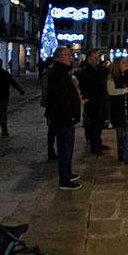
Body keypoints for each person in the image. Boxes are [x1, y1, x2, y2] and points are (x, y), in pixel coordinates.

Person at [46, 46, 82, 190]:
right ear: (59, 56)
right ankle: (64, 180)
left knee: (68, 147)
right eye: (67, 54)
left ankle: (67, 173)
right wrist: (73, 104)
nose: (70, 57)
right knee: (65, 147)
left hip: (66, 116)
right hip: (64, 117)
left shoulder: (61, 72)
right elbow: (61, 97)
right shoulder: (58, 73)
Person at [77, 49, 109, 155]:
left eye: (98, 57)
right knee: (93, 125)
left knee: (99, 123)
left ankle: (98, 143)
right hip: (92, 101)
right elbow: (87, 85)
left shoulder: (98, 68)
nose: (97, 59)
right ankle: (94, 146)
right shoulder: (86, 70)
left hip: (101, 100)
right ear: (89, 58)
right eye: (95, 57)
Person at [107, 57, 128, 165]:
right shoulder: (112, 76)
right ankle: (121, 153)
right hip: (118, 108)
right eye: (123, 62)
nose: (126, 64)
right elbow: (111, 91)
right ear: (118, 64)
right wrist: (125, 90)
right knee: (120, 134)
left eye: (126, 62)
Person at [0, 57, 25, 138]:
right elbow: (13, 82)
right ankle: (4, 130)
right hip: (4, 97)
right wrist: (20, 90)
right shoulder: (5, 74)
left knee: (0, 114)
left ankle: (4, 130)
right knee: (3, 114)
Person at [39, 57, 57, 160]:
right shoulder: (47, 74)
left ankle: (51, 150)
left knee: (53, 130)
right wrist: (46, 103)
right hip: (51, 106)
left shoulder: (48, 74)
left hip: (51, 105)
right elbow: (45, 91)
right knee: (52, 130)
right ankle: (50, 151)